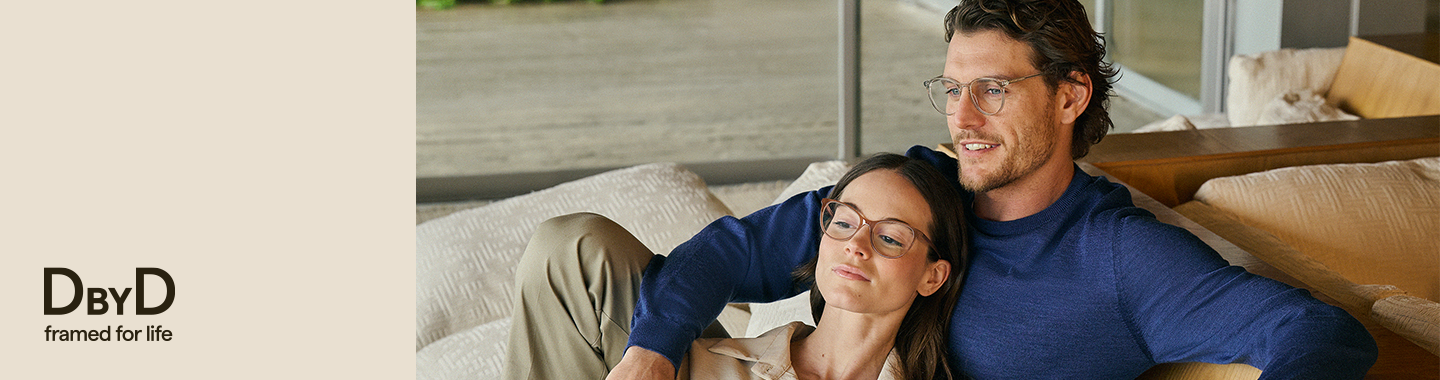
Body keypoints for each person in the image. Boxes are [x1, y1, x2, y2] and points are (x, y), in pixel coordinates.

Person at [603, 1, 1378, 379]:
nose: (962, 117)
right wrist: (651, 350)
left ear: (1070, 97)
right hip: (776, 362)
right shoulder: (909, 195)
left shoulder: (1116, 257)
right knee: (584, 250)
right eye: (952, 88)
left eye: (994, 91)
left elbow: (1321, 334)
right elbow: (727, 255)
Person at [503, 154, 969, 380]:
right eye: (844, 223)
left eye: (889, 237)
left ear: (934, 275)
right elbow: (725, 252)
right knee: (572, 242)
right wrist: (650, 355)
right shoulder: (702, 365)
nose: (857, 245)